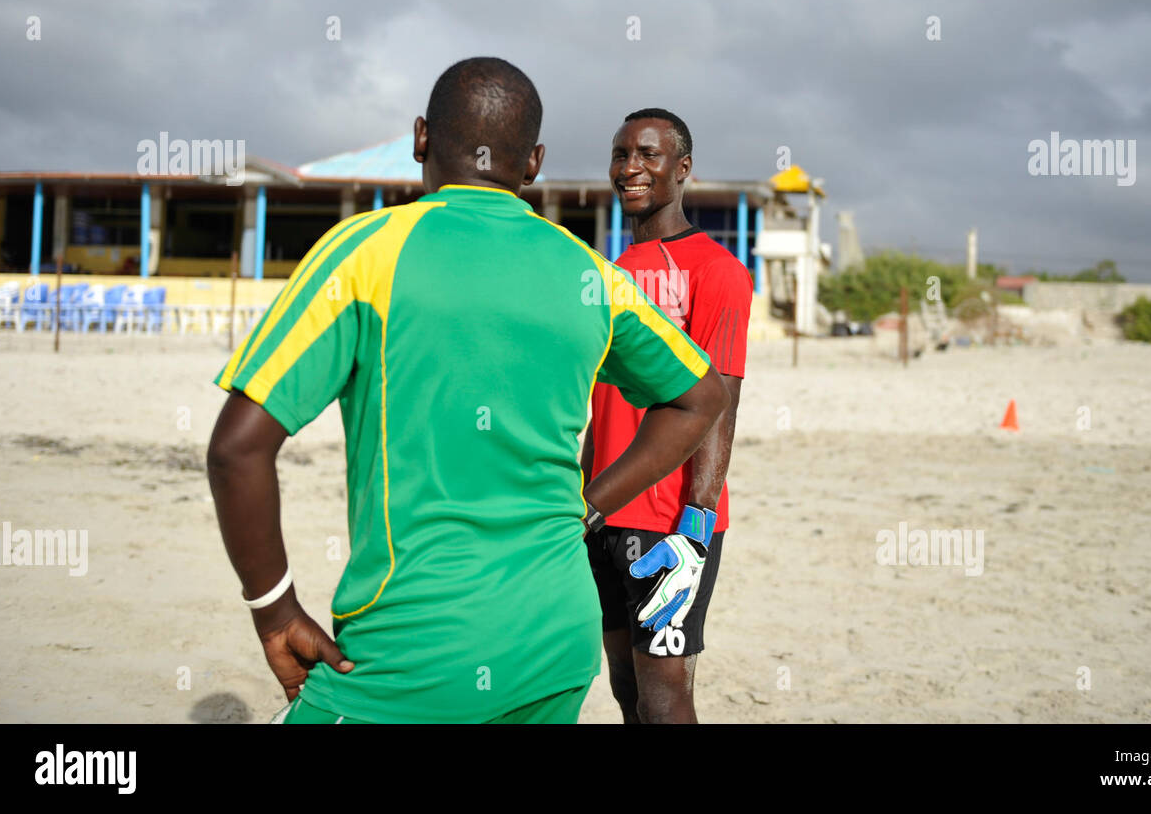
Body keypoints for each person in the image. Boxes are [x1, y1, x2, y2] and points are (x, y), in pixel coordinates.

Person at [206, 60, 727, 724]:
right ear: (534, 162)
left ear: (420, 138)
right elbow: (698, 397)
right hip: (557, 638)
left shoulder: (365, 252)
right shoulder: (588, 272)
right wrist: (588, 505)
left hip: (413, 650)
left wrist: (274, 608)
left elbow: (236, 449)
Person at [582, 108, 752, 724]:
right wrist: (581, 500)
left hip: (670, 525)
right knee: (624, 682)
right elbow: (602, 411)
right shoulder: (610, 276)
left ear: (682, 170)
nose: (630, 168)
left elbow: (720, 402)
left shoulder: (718, 271)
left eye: (648, 155)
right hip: (600, 510)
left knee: (664, 691)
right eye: (621, 153)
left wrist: (696, 527)